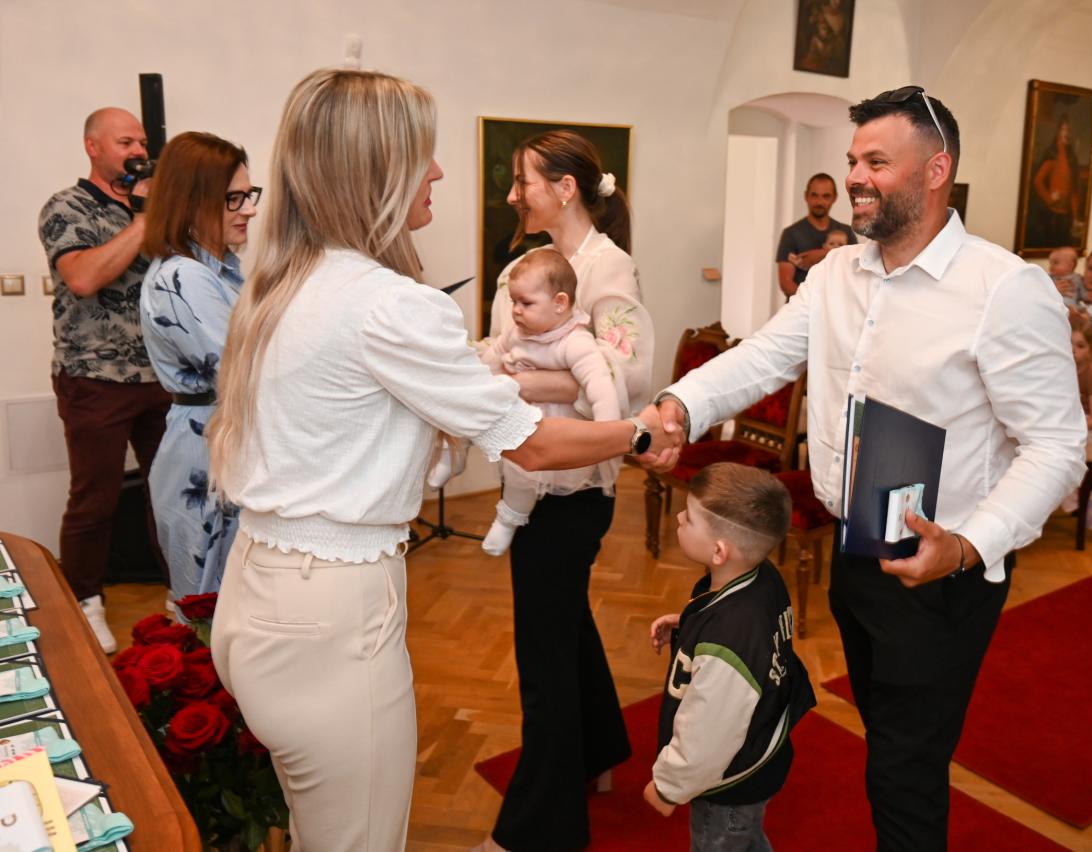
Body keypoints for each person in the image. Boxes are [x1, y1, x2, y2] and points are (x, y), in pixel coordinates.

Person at [205, 69, 667, 851]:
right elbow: (533, 439)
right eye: (425, 154)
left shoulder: (282, 280)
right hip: (332, 615)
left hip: (258, 588)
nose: (442, 172)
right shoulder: (389, 301)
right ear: (377, 170)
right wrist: (643, 433)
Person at [639, 86, 1085, 851]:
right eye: (852, 161)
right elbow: (764, 357)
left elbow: (1057, 446)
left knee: (906, 773)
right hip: (858, 549)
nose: (854, 177)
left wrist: (968, 545)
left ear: (936, 170)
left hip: (942, 570)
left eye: (877, 161)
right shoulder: (837, 273)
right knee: (888, 742)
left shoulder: (1004, 289)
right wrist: (681, 403)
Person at [482, 129, 655, 852]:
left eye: (523, 181)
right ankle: (600, 747)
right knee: (565, 623)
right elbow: (505, 351)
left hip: (575, 485)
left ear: (564, 189)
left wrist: (521, 384)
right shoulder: (524, 268)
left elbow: (627, 376)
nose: (513, 195)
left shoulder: (608, 268)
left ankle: (539, 829)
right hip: (531, 471)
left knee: (543, 653)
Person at [37, 107, 172, 654]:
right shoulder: (66, 206)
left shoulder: (156, 207)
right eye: (124, 142)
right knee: (95, 498)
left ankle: (185, 595)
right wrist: (144, 220)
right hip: (94, 376)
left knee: (173, 492)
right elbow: (83, 276)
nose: (138, 151)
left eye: (141, 141)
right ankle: (86, 601)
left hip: (162, 373)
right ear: (93, 147)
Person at [642, 463, 815, 851]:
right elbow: (749, 632)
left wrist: (668, 787)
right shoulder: (763, 577)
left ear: (719, 551)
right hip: (760, 754)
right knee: (748, 841)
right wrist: (689, 624)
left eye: (689, 518)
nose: (679, 519)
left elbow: (708, 732)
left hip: (730, 785)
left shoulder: (729, 640)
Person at [138, 132, 257, 608]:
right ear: (193, 199)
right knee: (213, 609)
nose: (250, 209)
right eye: (234, 198)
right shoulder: (183, 277)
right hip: (206, 450)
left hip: (222, 438)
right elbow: (242, 370)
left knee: (230, 607)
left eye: (249, 195)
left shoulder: (218, 270)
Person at [478, 250, 621, 555]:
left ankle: (510, 519)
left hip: (558, 433)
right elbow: (493, 355)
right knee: (516, 474)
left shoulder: (575, 341)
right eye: (514, 302)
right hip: (522, 425)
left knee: (532, 481)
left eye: (526, 303)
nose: (516, 311)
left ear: (559, 303)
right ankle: (503, 514)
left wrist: (608, 431)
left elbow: (600, 385)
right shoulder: (517, 332)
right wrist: (480, 381)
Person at [1060, 317, 1092, 530]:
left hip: (1087, 426)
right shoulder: (1060, 370)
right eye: (1068, 343)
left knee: (1058, 451)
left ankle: (1081, 498)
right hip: (1065, 424)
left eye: (1080, 346)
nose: (1073, 350)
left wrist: (1068, 426)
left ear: (1090, 350)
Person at [775, 174, 854, 298]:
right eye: (814, 195)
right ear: (806, 196)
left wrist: (823, 254)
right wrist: (814, 304)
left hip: (837, 306)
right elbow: (786, 284)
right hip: (801, 307)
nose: (819, 202)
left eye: (826, 196)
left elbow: (855, 271)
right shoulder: (791, 233)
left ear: (834, 198)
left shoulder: (847, 231)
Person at [1028, 116, 1082, 248]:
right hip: (1051, 213)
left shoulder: (1072, 157)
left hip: (1066, 215)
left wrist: (1075, 217)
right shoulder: (1052, 154)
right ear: (1058, 131)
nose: (1067, 133)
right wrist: (1049, 198)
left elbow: (1073, 190)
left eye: (1069, 130)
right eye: (1064, 129)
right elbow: (1038, 181)